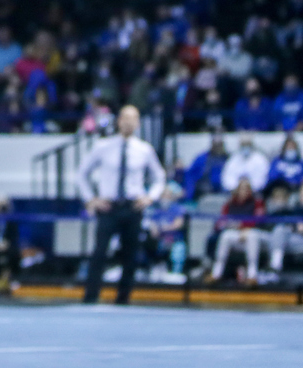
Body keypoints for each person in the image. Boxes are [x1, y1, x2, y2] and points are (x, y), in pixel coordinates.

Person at [76, 104, 165, 304]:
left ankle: (123, 298)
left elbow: (159, 176)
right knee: (99, 252)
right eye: (125, 118)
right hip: (109, 207)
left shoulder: (144, 150)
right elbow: (82, 174)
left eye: (133, 118)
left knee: (130, 254)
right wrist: (91, 199)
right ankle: (91, 297)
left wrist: (150, 197)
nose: (128, 122)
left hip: (133, 207)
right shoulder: (103, 146)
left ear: (138, 123)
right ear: (119, 121)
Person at [207, 177, 265, 285]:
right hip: (234, 233)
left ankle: (252, 275)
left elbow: (259, 221)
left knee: (252, 236)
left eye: (246, 189)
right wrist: (230, 225)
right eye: (242, 188)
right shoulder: (230, 203)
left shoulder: (257, 203)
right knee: (225, 236)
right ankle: (216, 273)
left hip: (252, 234)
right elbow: (220, 222)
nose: (244, 191)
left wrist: (244, 226)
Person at [183, 132, 229, 201]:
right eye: (216, 145)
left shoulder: (228, 159)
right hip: (205, 193)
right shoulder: (202, 158)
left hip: (224, 193)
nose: (218, 147)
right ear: (212, 144)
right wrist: (189, 193)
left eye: (219, 145)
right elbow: (190, 175)